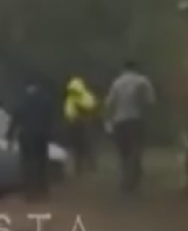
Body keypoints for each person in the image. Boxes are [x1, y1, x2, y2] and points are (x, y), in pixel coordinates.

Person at [104, 60, 156, 195]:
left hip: (120, 121)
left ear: (124, 68)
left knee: (123, 152)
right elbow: (150, 101)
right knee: (136, 149)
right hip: (136, 120)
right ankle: (134, 174)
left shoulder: (117, 82)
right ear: (136, 68)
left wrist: (108, 120)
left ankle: (125, 179)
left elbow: (109, 103)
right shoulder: (143, 81)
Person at [7, 75, 56, 200]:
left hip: (27, 136)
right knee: (41, 163)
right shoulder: (45, 100)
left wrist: (9, 136)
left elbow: (15, 118)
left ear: (27, 87)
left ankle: (29, 191)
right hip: (42, 136)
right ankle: (42, 190)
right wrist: (50, 134)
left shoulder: (23, 100)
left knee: (27, 164)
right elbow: (50, 118)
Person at [63, 75, 98, 176]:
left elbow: (92, 107)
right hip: (77, 124)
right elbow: (68, 112)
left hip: (84, 123)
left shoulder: (85, 96)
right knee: (78, 145)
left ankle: (90, 164)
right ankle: (79, 166)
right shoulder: (71, 98)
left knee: (87, 144)